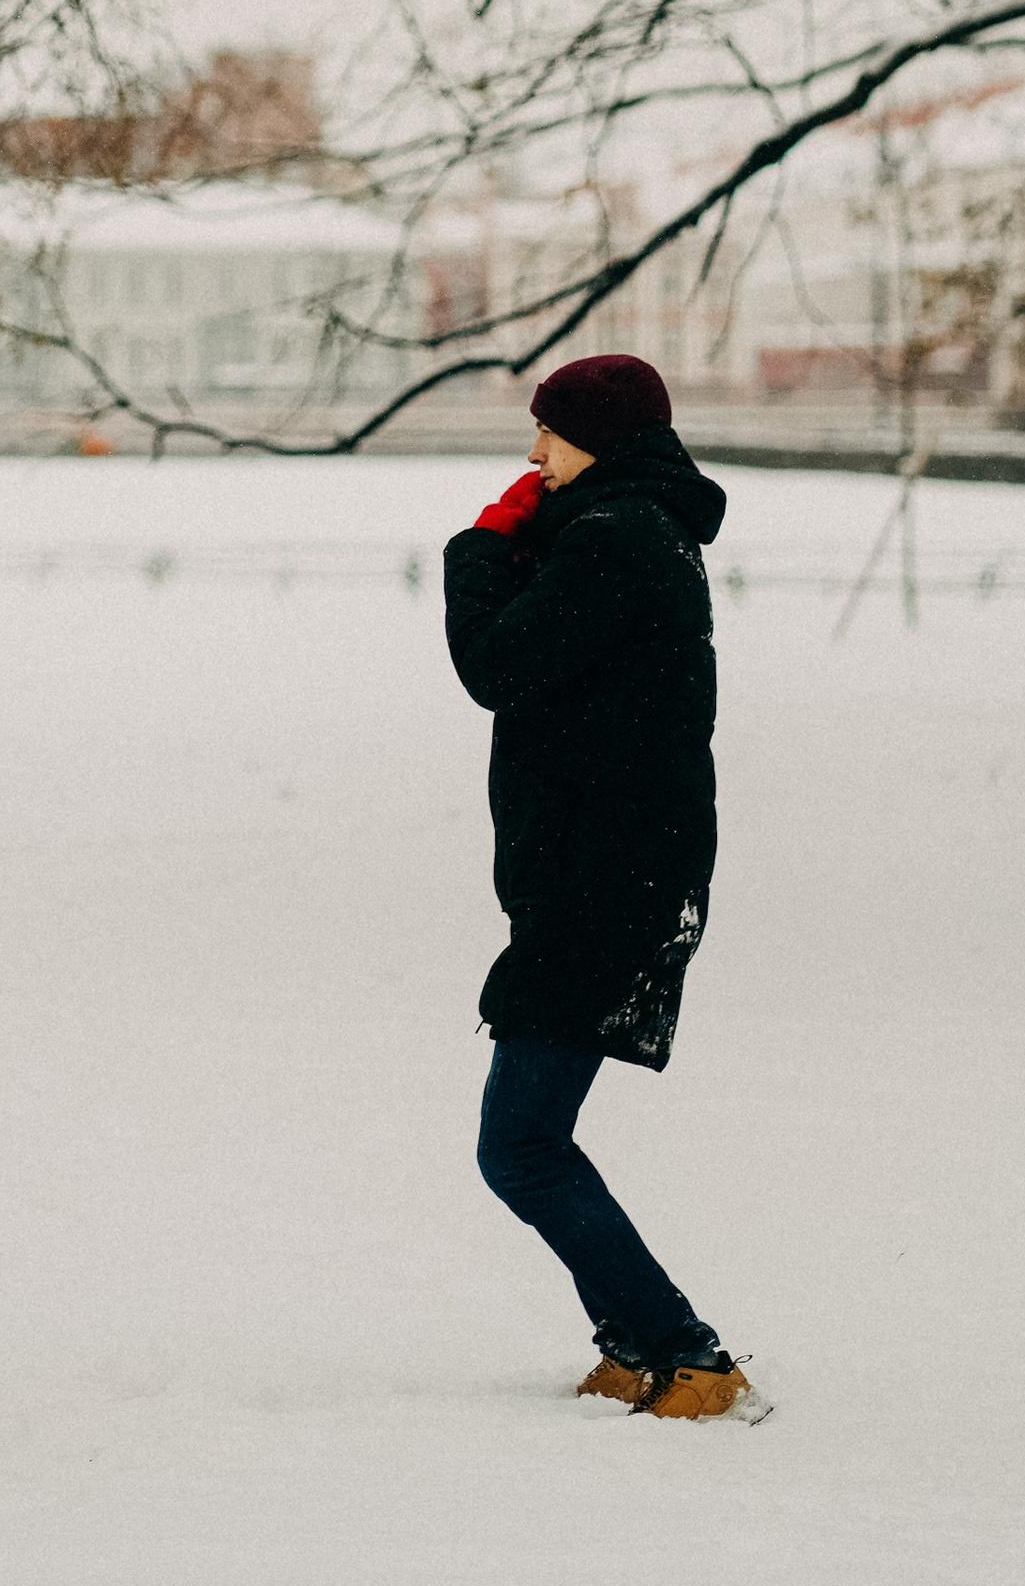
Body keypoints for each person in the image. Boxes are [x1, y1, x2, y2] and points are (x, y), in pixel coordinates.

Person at [440, 352, 756, 1421]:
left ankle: (687, 1353)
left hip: (604, 882)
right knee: (528, 1140)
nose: (533, 457)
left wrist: (482, 546)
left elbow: (497, 664)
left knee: (519, 1145)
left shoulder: (619, 539)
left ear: (603, 442)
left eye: (551, 436)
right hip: (606, 873)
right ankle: (636, 1347)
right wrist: (528, 539)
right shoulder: (617, 532)